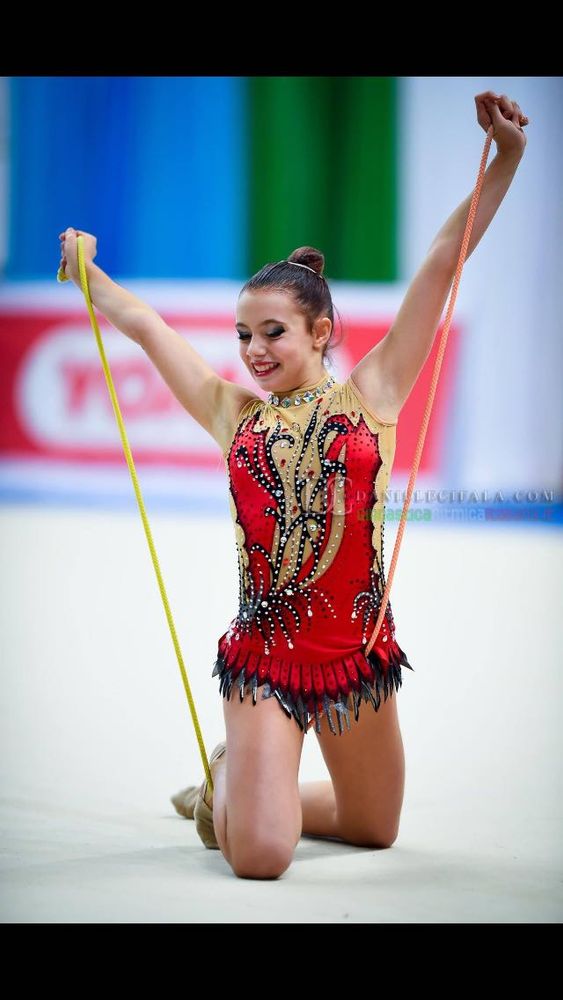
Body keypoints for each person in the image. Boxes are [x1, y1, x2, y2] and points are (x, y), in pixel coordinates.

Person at [59, 90, 528, 880]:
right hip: (266, 662)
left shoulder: (372, 395)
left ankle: (232, 783)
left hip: (356, 656)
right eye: (243, 334)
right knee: (261, 857)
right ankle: (244, 790)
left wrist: (506, 158)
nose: (253, 351)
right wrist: (88, 272)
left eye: (272, 332)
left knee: (373, 830)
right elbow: (149, 328)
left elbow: (444, 258)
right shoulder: (231, 414)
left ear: (320, 332)